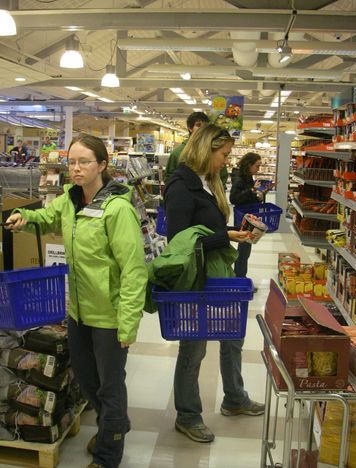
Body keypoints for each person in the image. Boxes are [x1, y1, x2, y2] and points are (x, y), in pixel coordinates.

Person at [5, 134, 148, 468]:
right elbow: (48, 217)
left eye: (84, 162)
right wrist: (25, 219)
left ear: (102, 164)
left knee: (110, 387)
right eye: (72, 162)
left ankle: (107, 455)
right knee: (86, 380)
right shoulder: (70, 200)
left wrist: (128, 324)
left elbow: (134, 271)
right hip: (78, 311)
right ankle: (116, 424)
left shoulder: (117, 210)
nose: (76, 169)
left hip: (109, 316)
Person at [163, 124, 264, 444]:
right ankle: (188, 415)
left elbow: (208, 228)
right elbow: (179, 244)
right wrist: (226, 236)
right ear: (207, 149)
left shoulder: (211, 182)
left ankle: (234, 397)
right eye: (223, 154)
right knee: (193, 349)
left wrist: (237, 229)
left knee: (233, 336)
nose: (226, 161)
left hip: (218, 272)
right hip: (194, 280)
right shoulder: (181, 186)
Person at [165, 111, 228, 187]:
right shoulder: (177, 153)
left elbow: (222, 176)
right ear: (190, 128)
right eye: (198, 125)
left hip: (210, 195)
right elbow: (169, 178)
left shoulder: (214, 150)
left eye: (205, 126)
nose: (202, 129)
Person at [230, 152, 265, 279]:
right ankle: (240, 279)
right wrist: (252, 190)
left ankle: (240, 277)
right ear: (249, 164)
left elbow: (247, 198)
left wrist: (259, 197)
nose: (258, 169)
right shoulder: (240, 178)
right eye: (257, 166)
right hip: (243, 218)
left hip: (248, 216)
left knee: (245, 249)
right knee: (244, 250)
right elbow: (234, 198)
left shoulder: (248, 176)